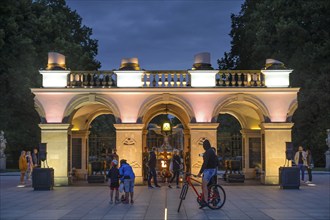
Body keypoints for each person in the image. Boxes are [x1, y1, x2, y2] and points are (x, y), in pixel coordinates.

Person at [197, 140, 218, 208]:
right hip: (211, 170)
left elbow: (205, 163)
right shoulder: (210, 151)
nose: (203, 146)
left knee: (205, 186)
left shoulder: (208, 152)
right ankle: (205, 199)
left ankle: (205, 201)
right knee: (204, 186)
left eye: (203, 145)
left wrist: (200, 172)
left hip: (209, 170)